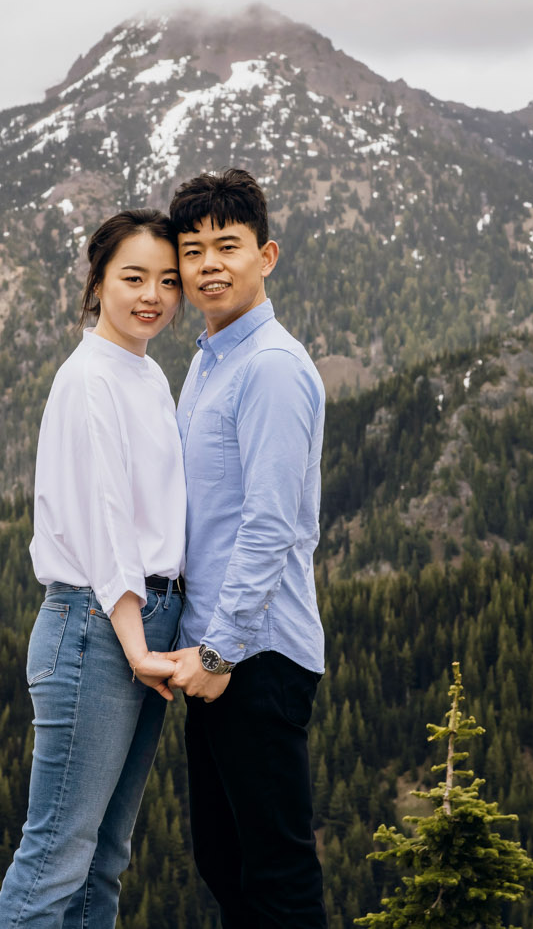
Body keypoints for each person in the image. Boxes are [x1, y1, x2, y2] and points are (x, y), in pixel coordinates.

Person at [0, 209, 189, 929]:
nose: (152, 296)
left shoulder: (146, 374)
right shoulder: (89, 379)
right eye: (133, 277)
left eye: (168, 280)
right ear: (97, 279)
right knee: (55, 859)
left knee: (105, 857)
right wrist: (136, 643)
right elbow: (107, 521)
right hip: (97, 627)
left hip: (141, 624)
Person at [163, 169, 327, 928]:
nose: (209, 265)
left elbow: (271, 524)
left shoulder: (271, 368)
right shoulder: (207, 361)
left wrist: (221, 652)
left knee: (277, 877)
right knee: (226, 867)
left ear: (267, 255)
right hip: (216, 658)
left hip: (254, 658)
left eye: (227, 246)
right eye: (193, 251)